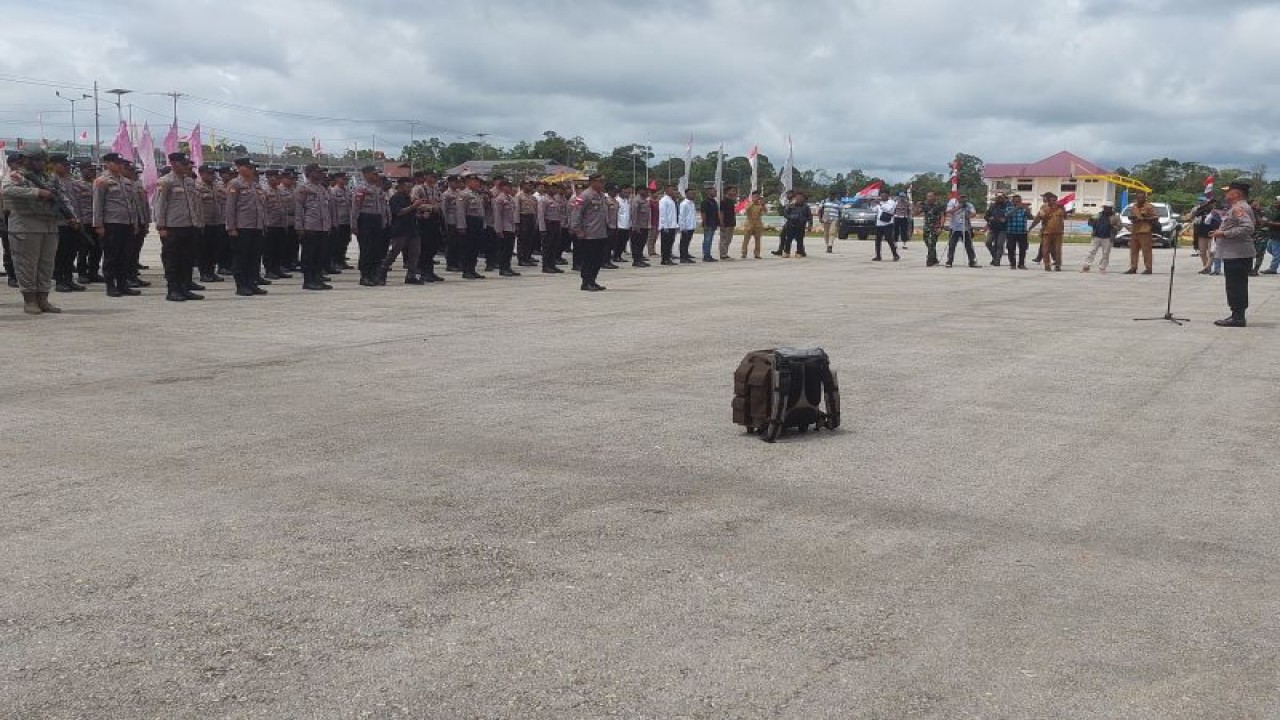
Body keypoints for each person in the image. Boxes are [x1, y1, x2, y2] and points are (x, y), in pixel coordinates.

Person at [2, 148, 63, 314]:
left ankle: (43, 299)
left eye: (43, 160)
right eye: (37, 160)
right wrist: (37, 192)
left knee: (46, 266)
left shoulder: (49, 178)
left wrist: (70, 216)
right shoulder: (17, 175)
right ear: (26, 160)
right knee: (27, 265)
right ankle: (29, 301)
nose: (41, 163)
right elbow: (7, 190)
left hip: (49, 226)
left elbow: (62, 197)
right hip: (26, 226)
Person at [152, 151, 205, 301]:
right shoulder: (165, 181)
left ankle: (184, 288)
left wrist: (197, 223)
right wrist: (161, 226)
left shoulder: (189, 181)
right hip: (173, 227)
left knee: (187, 259)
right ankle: (173, 290)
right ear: (174, 164)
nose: (187, 166)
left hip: (189, 226)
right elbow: (159, 206)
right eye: (184, 163)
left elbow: (194, 205)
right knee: (173, 260)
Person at [92, 152, 142, 297]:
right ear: (107, 163)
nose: (120, 165)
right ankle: (110, 286)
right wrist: (98, 225)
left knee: (125, 256)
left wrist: (134, 223)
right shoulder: (101, 181)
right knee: (111, 256)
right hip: (111, 223)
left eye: (121, 163)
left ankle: (122, 284)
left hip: (127, 223)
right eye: (116, 162)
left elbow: (131, 204)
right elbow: (97, 204)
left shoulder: (126, 181)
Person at [1211, 180, 1256, 327]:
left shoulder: (1238, 208)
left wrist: (1224, 233)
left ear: (1236, 194)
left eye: (1227, 191)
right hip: (1237, 253)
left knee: (1235, 286)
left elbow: (1248, 228)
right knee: (1237, 285)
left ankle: (1237, 317)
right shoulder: (1239, 207)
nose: (1225, 194)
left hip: (1237, 254)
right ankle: (1237, 315)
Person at [223, 157, 268, 296]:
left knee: (254, 257)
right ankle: (241, 285)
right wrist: (231, 227)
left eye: (252, 167)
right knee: (241, 258)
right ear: (240, 168)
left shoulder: (255, 185)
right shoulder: (234, 184)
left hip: (256, 226)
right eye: (249, 167)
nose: (252, 170)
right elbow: (230, 208)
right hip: (242, 227)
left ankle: (251, 283)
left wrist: (263, 224)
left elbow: (261, 207)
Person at [48, 153, 88, 292]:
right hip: (61, 223)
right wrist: (66, 218)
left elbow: (76, 201)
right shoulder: (51, 180)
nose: (67, 167)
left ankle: (69, 279)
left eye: (68, 165)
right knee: (60, 253)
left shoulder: (69, 180)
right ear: (53, 165)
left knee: (71, 252)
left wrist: (78, 219)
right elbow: (54, 203)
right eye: (64, 165)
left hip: (74, 222)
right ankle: (60, 280)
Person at [296, 163, 335, 290]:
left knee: (320, 255)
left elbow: (327, 209)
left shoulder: (322, 189)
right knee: (309, 255)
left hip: (323, 227)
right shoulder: (303, 188)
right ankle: (308, 281)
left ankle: (317, 278)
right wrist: (300, 227)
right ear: (310, 173)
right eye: (317, 172)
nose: (320, 174)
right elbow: (299, 209)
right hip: (310, 227)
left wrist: (329, 225)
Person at [570, 173, 609, 292]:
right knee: (588, 259)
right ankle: (586, 282)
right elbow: (576, 213)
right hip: (588, 233)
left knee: (597, 259)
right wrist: (578, 230)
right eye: (600, 181)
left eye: (603, 181)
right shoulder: (584, 195)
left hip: (600, 232)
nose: (602, 183)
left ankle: (593, 280)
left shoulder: (601, 195)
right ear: (592, 182)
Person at [352, 165, 391, 285]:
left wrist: (384, 221)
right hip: (365, 219)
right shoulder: (361, 189)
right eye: (374, 174)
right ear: (366, 174)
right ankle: (365, 276)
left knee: (376, 250)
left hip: (377, 220)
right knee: (366, 249)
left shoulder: (378, 189)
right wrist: (354, 224)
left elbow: (383, 207)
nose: (376, 176)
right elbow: (355, 208)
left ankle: (373, 274)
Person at [195, 165, 227, 284]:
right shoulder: (196, 186)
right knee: (203, 250)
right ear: (202, 174)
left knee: (214, 249)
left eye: (213, 173)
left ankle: (211, 272)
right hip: (203, 223)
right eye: (209, 173)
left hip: (216, 222)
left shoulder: (216, 186)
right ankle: (204, 273)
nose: (212, 175)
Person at [73, 161, 103, 286]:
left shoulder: (98, 184)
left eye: (93, 170)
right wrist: (77, 220)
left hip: (97, 221)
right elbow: (75, 204)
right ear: (82, 170)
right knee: (83, 249)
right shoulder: (77, 185)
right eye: (89, 169)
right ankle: (82, 273)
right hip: (84, 221)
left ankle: (93, 272)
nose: (92, 172)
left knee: (97, 248)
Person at [454, 174, 487, 280]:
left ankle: (472, 269)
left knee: (475, 247)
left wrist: (483, 223)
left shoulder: (477, 194)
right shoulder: (463, 194)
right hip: (469, 222)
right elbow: (460, 211)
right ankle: (466, 270)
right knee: (467, 247)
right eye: (474, 181)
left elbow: (481, 211)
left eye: (477, 182)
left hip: (478, 222)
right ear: (468, 182)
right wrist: (461, 226)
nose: (477, 183)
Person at [262, 170, 290, 279]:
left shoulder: (280, 191)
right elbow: (262, 209)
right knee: (269, 250)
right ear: (269, 177)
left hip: (281, 224)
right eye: (276, 177)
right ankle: (269, 270)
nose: (279, 180)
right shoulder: (264, 190)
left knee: (279, 249)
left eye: (279, 177)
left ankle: (277, 269)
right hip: (270, 224)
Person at [1029, 192, 1066, 271]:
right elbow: (1039, 218)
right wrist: (1031, 227)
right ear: (1049, 200)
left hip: (1058, 232)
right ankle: (1047, 265)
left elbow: (1065, 217)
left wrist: (1063, 208)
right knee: (1045, 249)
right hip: (1047, 232)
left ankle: (1058, 265)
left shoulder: (1060, 207)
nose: (1054, 201)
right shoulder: (1044, 207)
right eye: (1052, 200)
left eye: (1055, 200)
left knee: (1058, 250)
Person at [491, 178, 520, 277]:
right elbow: (497, 215)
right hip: (503, 228)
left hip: (510, 227)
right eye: (507, 186)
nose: (509, 188)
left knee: (509, 250)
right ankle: (503, 268)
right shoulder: (499, 199)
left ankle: (508, 267)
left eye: (510, 186)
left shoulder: (510, 198)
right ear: (502, 187)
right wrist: (498, 229)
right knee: (503, 250)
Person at [1124, 191, 1157, 274]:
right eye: (1138, 197)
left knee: (1146, 251)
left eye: (1142, 197)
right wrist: (1132, 218)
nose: (1140, 199)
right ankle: (1133, 267)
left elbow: (1155, 218)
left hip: (1145, 231)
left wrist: (1145, 219)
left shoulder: (1149, 207)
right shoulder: (1134, 206)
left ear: (1145, 198)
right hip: (1134, 231)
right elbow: (1131, 216)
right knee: (1133, 251)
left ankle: (1148, 268)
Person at [1081, 202, 1121, 273]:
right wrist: (1091, 221)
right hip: (1096, 236)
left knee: (1106, 254)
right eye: (1105, 208)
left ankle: (1102, 268)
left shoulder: (1116, 216)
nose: (1106, 209)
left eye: (1108, 208)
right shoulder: (1098, 215)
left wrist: (1112, 226)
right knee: (1091, 252)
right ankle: (1086, 266)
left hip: (1108, 237)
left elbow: (1119, 227)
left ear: (1111, 209)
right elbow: (1090, 223)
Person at [537, 183, 566, 273]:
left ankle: (552, 265)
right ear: (547, 189)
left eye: (555, 188)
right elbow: (541, 215)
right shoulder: (543, 200)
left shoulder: (555, 199)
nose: (554, 190)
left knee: (554, 246)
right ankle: (546, 266)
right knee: (547, 247)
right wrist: (542, 229)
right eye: (552, 188)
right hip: (548, 225)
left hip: (556, 224)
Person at [944, 194, 978, 268]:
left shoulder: (969, 205)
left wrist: (968, 216)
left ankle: (972, 261)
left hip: (965, 228)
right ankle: (949, 261)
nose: (963, 199)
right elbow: (948, 212)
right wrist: (958, 207)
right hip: (954, 227)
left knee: (969, 246)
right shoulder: (952, 203)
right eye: (961, 198)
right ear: (958, 198)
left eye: (964, 198)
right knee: (952, 245)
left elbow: (974, 213)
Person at [329, 171, 353, 271]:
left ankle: (342, 260)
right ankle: (335, 261)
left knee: (345, 242)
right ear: (337, 179)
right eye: (343, 178)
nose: (345, 180)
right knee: (336, 243)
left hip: (347, 221)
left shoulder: (347, 190)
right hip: (338, 221)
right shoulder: (334, 191)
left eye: (346, 179)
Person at [780, 192, 813, 257]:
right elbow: (785, 213)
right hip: (791, 225)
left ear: (803, 198)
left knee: (800, 240)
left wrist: (810, 225)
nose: (799, 198)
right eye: (797, 197)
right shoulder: (790, 205)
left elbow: (809, 216)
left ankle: (799, 252)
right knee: (788, 239)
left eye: (801, 197)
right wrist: (791, 217)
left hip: (801, 226)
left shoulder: (806, 207)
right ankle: (787, 252)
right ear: (795, 198)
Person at [515, 180, 539, 267]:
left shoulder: (533, 197)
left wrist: (536, 221)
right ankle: (521, 259)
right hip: (523, 218)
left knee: (530, 239)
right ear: (523, 186)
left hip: (531, 218)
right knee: (522, 240)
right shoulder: (519, 196)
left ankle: (527, 257)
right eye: (528, 185)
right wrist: (517, 222)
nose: (530, 187)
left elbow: (535, 211)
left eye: (531, 185)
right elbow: (516, 210)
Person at [1004, 195, 1031, 270]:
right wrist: (1016, 208)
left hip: (1022, 232)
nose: (1017, 202)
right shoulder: (1008, 208)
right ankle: (1012, 264)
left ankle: (1021, 264)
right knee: (1011, 248)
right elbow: (1006, 216)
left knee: (1023, 249)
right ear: (1013, 201)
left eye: (1019, 200)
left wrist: (1027, 209)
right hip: (1011, 232)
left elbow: (1030, 216)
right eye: (1016, 201)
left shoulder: (1024, 209)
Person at [872, 191, 899, 261]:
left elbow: (889, 210)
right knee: (877, 241)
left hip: (888, 224)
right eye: (881, 195)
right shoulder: (880, 203)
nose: (882, 197)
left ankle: (895, 254)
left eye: (884, 195)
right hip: (879, 224)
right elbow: (874, 210)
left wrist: (880, 204)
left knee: (889, 239)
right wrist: (872, 204)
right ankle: (878, 256)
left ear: (888, 196)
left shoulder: (891, 202)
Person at [983, 193, 1009, 266]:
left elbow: (1010, 216)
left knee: (999, 245)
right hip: (992, 228)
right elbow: (986, 216)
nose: (999, 199)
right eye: (998, 198)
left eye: (1001, 198)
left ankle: (997, 261)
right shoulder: (992, 206)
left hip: (1002, 229)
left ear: (1004, 198)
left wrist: (1005, 219)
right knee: (988, 242)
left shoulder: (1007, 206)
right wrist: (989, 218)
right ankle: (995, 257)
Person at [629, 186, 652, 267]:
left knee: (641, 244)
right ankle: (636, 261)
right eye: (645, 190)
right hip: (638, 227)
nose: (647, 192)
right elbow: (634, 214)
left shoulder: (645, 200)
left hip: (644, 226)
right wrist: (635, 226)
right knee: (636, 244)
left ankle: (640, 259)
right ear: (639, 191)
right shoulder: (636, 200)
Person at [920, 191, 944, 267]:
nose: (929, 198)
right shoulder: (925, 206)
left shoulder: (939, 206)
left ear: (934, 197)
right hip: (927, 227)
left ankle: (929, 261)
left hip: (935, 227)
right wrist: (917, 206)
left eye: (930, 196)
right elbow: (915, 213)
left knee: (931, 244)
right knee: (927, 243)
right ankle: (934, 259)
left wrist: (941, 227)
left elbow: (943, 216)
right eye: (927, 196)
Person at [657, 184, 679, 265]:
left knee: (670, 243)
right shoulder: (664, 200)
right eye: (671, 190)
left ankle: (668, 258)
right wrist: (665, 226)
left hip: (672, 225)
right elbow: (663, 215)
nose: (674, 191)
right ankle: (664, 259)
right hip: (666, 226)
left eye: (674, 190)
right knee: (665, 244)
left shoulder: (671, 200)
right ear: (666, 190)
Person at [740, 191, 765, 259]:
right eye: (755, 196)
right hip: (749, 224)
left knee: (758, 240)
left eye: (758, 196)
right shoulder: (748, 203)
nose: (757, 198)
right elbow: (745, 209)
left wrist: (763, 205)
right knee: (746, 240)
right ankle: (744, 253)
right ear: (752, 197)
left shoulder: (760, 205)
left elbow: (765, 211)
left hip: (758, 224)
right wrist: (752, 203)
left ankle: (757, 254)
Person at [718, 185, 738, 260]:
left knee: (729, 239)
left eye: (734, 191)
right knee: (724, 238)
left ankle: (725, 253)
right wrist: (721, 222)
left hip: (731, 222)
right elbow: (721, 212)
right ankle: (722, 254)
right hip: (725, 222)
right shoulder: (724, 201)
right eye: (733, 191)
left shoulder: (731, 201)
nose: (734, 192)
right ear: (727, 191)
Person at [1261, 196, 1280, 275]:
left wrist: (1269, 223)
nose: (1275, 204)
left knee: (1276, 253)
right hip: (1273, 234)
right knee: (1269, 249)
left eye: (1277, 202)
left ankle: (1273, 268)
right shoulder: (1275, 211)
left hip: (1278, 235)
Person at [700, 187, 719, 261]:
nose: (716, 193)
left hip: (713, 223)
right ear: (709, 192)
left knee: (710, 240)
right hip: (708, 224)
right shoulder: (705, 202)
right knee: (707, 240)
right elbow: (703, 213)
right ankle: (706, 256)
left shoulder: (714, 201)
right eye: (714, 191)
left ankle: (708, 254)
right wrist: (705, 224)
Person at [614, 185, 632, 263]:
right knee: (618, 243)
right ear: (620, 192)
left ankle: (619, 256)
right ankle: (616, 256)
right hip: (619, 226)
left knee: (623, 243)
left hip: (626, 226)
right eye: (625, 192)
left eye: (628, 192)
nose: (627, 194)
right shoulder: (617, 201)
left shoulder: (627, 201)